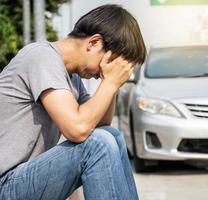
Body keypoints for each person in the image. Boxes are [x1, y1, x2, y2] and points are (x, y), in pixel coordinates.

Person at [0, 4, 146, 200]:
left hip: (23, 181)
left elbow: (100, 125)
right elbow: (78, 129)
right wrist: (110, 82)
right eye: (110, 63)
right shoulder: (41, 57)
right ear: (94, 42)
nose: (102, 73)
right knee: (98, 144)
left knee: (112, 135)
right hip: (6, 184)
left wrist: (111, 83)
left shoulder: (71, 77)